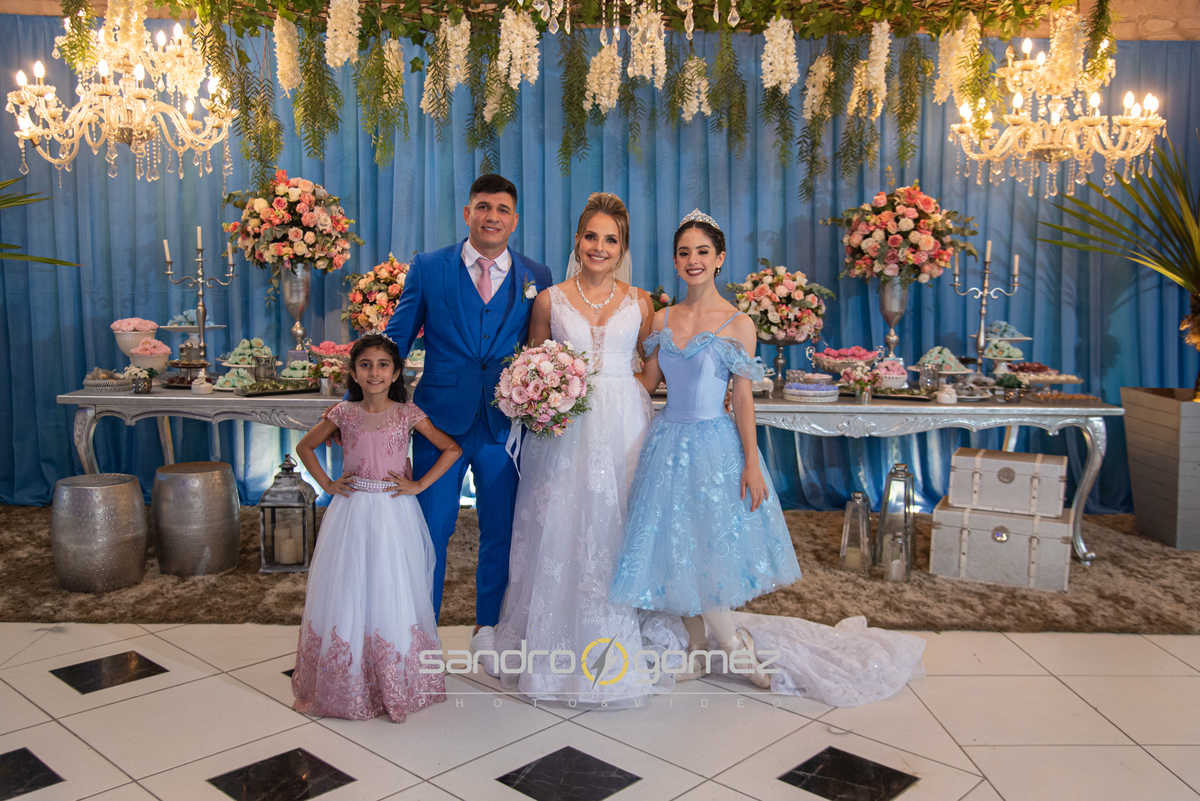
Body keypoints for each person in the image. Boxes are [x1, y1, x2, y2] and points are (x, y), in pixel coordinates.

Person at [609, 211, 801, 689]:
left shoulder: (738, 323)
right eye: (684, 252)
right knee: (675, 548)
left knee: (707, 548)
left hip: (714, 445)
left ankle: (733, 647)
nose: (692, 260)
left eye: (702, 252)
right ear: (675, 261)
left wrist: (752, 462)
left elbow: (742, 398)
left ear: (718, 259)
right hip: (665, 442)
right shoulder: (662, 319)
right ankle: (697, 649)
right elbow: (647, 382)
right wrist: (596, 378)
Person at [491, 192, 671, 704]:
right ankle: (555, 642)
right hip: (565, 425)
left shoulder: (641, 302)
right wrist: (544, 399)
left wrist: (633, 392)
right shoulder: (549, 299)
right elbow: (533, 361)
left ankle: (624, 634)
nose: (599, 247)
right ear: (577, 240)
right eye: (591, 236)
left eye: (610, 240)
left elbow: (650, 365)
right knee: (563, 523)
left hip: (625, 423)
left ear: (622, 248)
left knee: (619, 522)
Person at [382, 174, 553, 647]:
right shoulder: (428, 267)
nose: (491, 217)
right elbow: (397, 339)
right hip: (438, 424)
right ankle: (419, 633)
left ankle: (488, 630)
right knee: (429, 529)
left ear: (514, 220)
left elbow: (545, 350)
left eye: (502, 209)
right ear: (467, 213)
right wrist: (365, 399)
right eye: (483, 207)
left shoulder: (536, 275)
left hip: (505, 425)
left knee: (501, 532)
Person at [292, 333, 462, 722]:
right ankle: (350, 674)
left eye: (383, 365)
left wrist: (418, 484)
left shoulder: (407, 413)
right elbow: (304, 447)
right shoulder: (343, 412)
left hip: (393, 511)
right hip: (351, 510)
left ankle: (394, 673)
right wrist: (327, 485)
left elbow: (452, 449)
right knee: (350, 583)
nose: (374, 372)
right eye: (365, 365)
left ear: (396, 372)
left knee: (390, 582)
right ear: (353, 372)